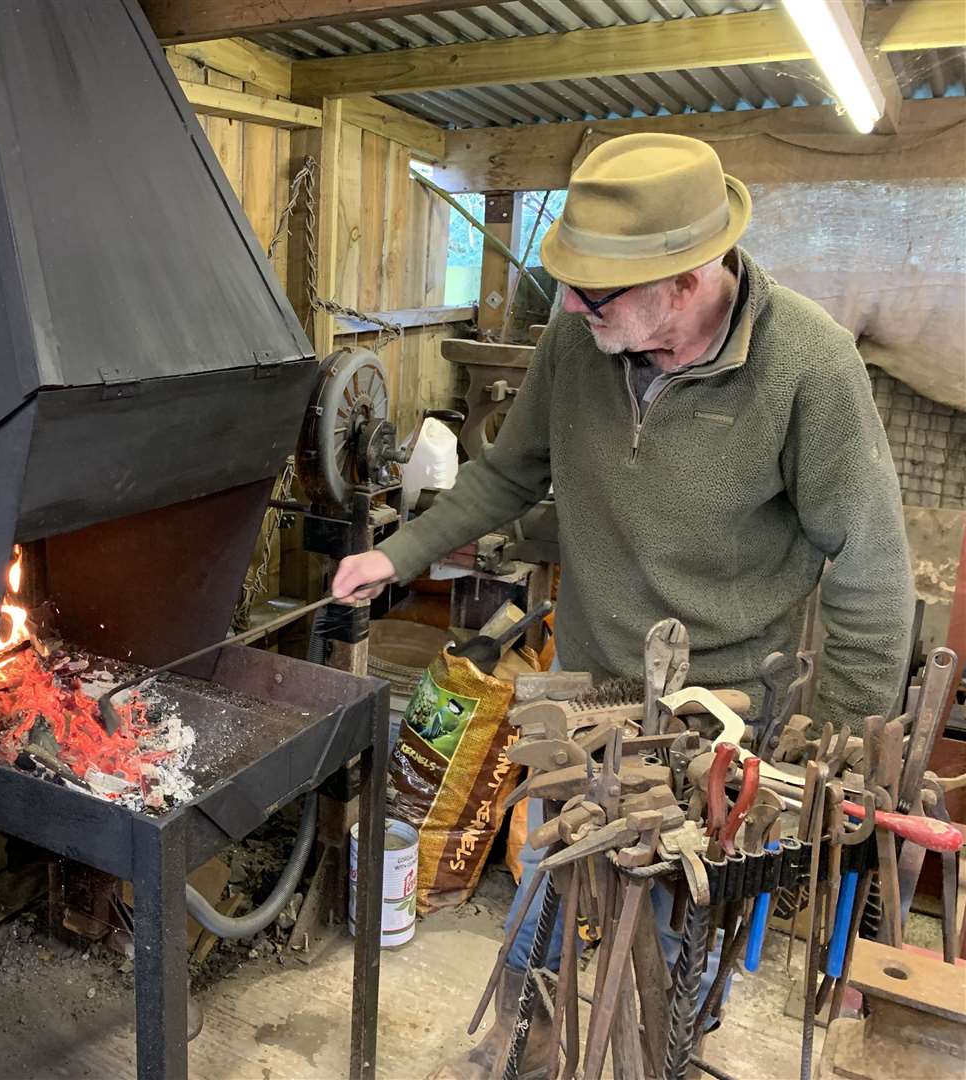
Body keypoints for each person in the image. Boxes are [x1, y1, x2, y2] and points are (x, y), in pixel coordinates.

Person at [331, 133, 914, 1079]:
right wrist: (395, 556)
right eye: (569, 283)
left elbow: (872, 576)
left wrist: (827, 756)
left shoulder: (811, 367)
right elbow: (510, 474)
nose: (565, 306)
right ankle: (521, 1044)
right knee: (548, 898)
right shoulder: (578, 341)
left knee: (675, 947)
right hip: (591, 688)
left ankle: (667, 1054)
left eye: (593, 292)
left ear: (686, 280)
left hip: (722, 716)